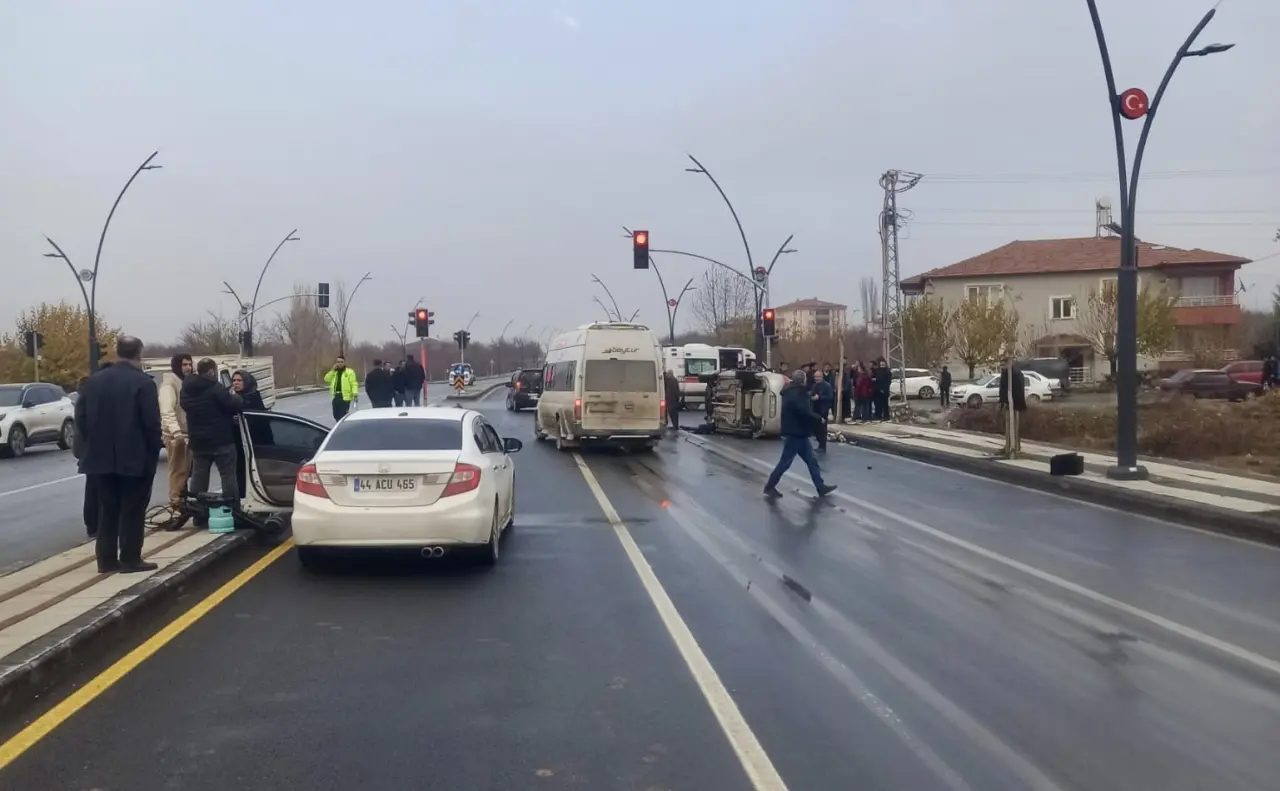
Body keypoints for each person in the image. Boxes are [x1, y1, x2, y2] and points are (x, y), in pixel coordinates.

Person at [75, 338, 162, 573]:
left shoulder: (93, 382)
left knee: (107, 510)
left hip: (99, 457)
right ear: (139, 354)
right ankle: (130, 558)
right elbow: (151, 424)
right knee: (133, 509)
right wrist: (154, 450)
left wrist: (93, 442)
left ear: (117, 352)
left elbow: (80, 419)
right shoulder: (143, 384)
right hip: (135, 457)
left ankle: (106, 560)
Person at [764, 370, 836, 499]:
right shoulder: (798, 393)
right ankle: (769, 486)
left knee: (812, 461)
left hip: (797, 432)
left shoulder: (789, 392)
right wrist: (819, 418)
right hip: (795, 433)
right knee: (785, 463)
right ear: (802, 381)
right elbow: (804, 411)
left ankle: (820, 487)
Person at [183, 358, 245, 508]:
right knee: (228, 476)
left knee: (199, 477)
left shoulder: (186, 389)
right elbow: (233, 404)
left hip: (198, 441)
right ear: (212, 371)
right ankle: (233, 510)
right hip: (221, 440)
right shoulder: (215, 387)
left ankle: (198, 511)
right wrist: (235, 396)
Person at [158, 354, 193, 511]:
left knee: (184, 471)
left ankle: (181, 501)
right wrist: (176, 432)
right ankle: (176, 502)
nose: (188, 367)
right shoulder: (169, 385)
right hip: (176, 435)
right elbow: (167, 410)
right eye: (185, 364)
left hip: (185, 433)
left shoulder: (183, 382)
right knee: (178, 471)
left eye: (190, 364)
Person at [809, 369, 834, 452]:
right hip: (815, 409)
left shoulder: (827, 386)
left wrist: (819, 397)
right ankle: (820, 442)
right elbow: (811, 394)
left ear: (822, 377)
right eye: (815, 377)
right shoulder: (814, 386)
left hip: (823, 409)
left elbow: (830, 397)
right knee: (815, 427)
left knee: (822, 429)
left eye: (818, 377)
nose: (817, 378)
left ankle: (822, 446)